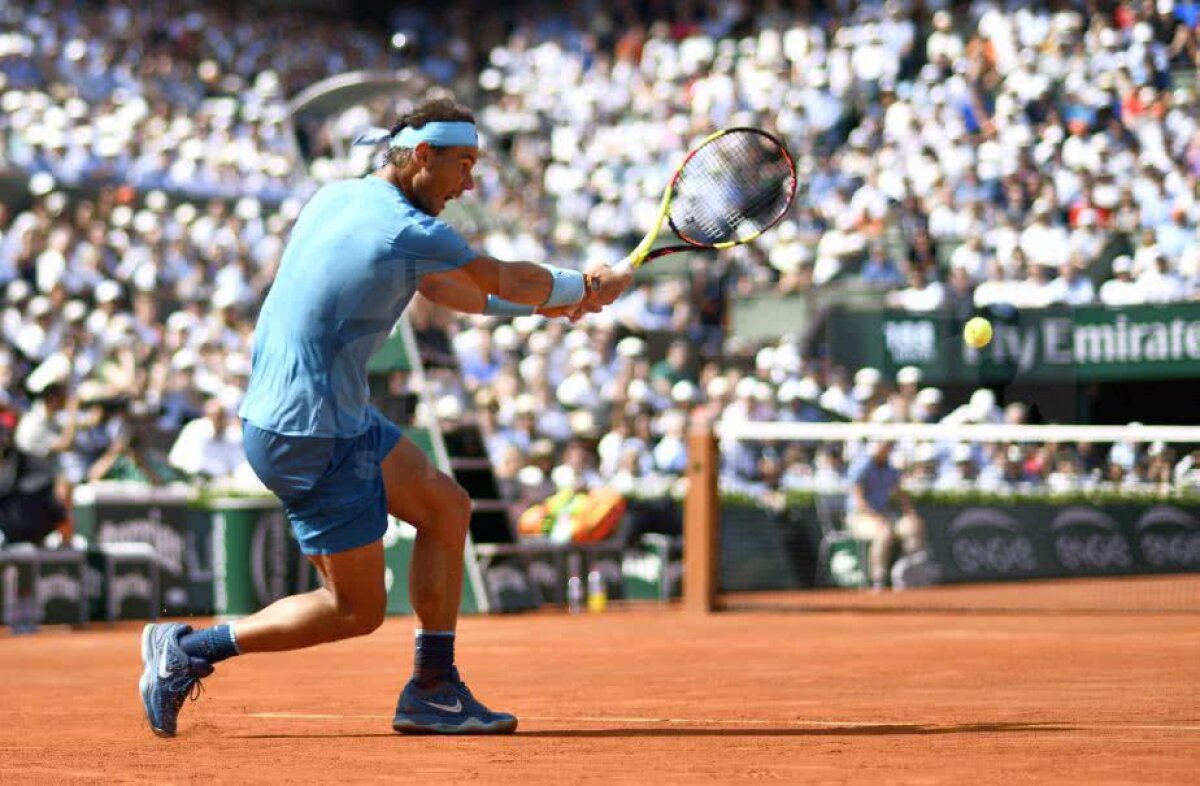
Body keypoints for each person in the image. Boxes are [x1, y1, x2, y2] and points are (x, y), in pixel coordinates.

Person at [138, 96, 632, 737]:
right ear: (423, 156)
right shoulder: (410, 229)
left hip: (324, 415)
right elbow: (500, 277)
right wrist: (581, 289)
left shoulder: (338, 196)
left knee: (447, 508)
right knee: (354, 610)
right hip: (308, 431)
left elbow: (443, 287)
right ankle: (187, 651)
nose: (470, 184)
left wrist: (546, 309)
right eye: (463, 165)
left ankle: (433, 687)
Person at [844, 440, 925, 591]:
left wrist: (910, 513)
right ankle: (878, 579)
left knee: (911, 525)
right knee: (884, 532)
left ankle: (909, 567)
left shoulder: (890, 467)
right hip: (860, 517)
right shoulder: (862, 466)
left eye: (890, 445)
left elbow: (901, 493)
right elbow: (859, 500)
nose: (888, 448)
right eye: (884, 444)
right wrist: (876, 517)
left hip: (884, 516)